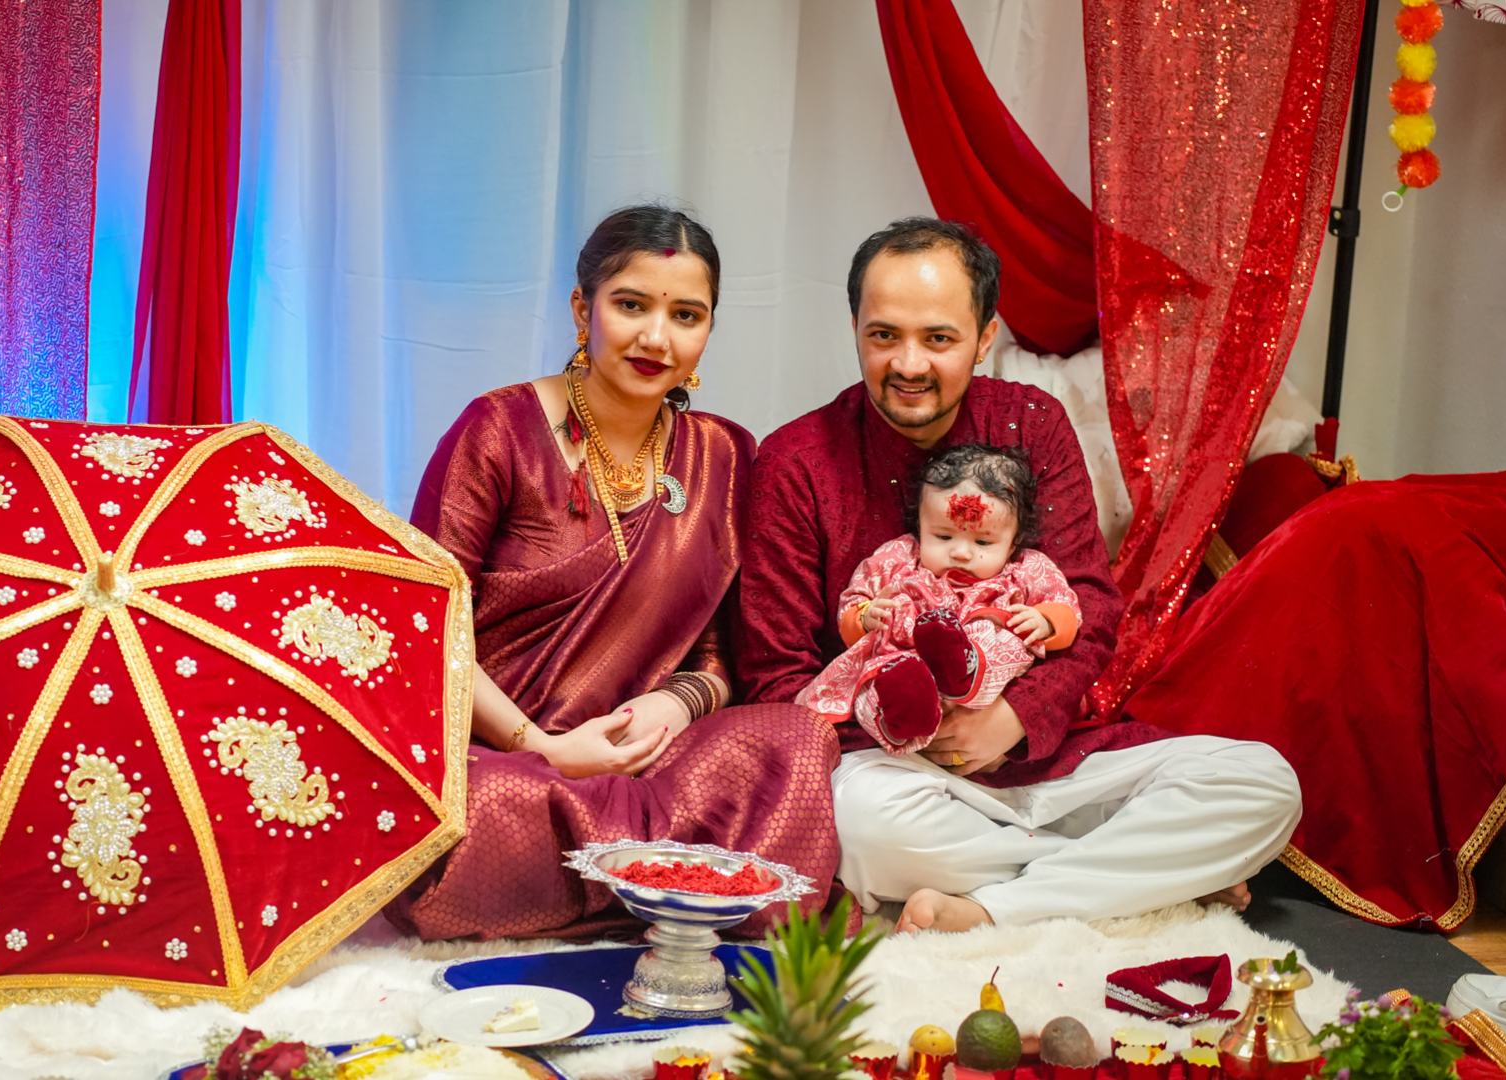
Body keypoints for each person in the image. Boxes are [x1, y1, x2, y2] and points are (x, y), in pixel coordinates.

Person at [737, 217, 1301, 933]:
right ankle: (1131, 876)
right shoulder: (796, 461)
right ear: (854, 326)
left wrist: (1010, 720)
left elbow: (1090, 609)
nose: (908, 364)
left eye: (938, 338)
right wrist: (912, 730)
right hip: (896, 779)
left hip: (1051, 759)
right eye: (884, 335)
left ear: (985, 335)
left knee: (1261, 783)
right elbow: (775, 676)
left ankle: (994, 903)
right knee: (861, 824)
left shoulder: (1032, 424)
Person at [384, 205, 841, 941]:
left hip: (646, 752)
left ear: (707, 333)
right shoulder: (497, 431)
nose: (656, 337)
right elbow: (421, 628)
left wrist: (678, 706)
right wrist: (543, 748)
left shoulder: (723, 456)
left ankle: (612, 877)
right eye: (631, 305)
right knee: (464, 806)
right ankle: (660, 878)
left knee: (794, 737)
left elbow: (725, 654)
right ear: (582, 309)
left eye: (686, 315)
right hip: (501, 753)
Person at [797, 444, 1082, 755]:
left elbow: (1066, 608)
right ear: (920, 526)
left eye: (983, 541)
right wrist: (865, 617)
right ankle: (902, 718)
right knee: (876, 681)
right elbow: (855, 598)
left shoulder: (1027, 569)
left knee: (1004, 639)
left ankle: (965, 668)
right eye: (943, 537)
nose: (960, 552)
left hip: (984, 671)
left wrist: (1046, 621)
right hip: (904, 660)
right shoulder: (898, 558)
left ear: (1014, 541)